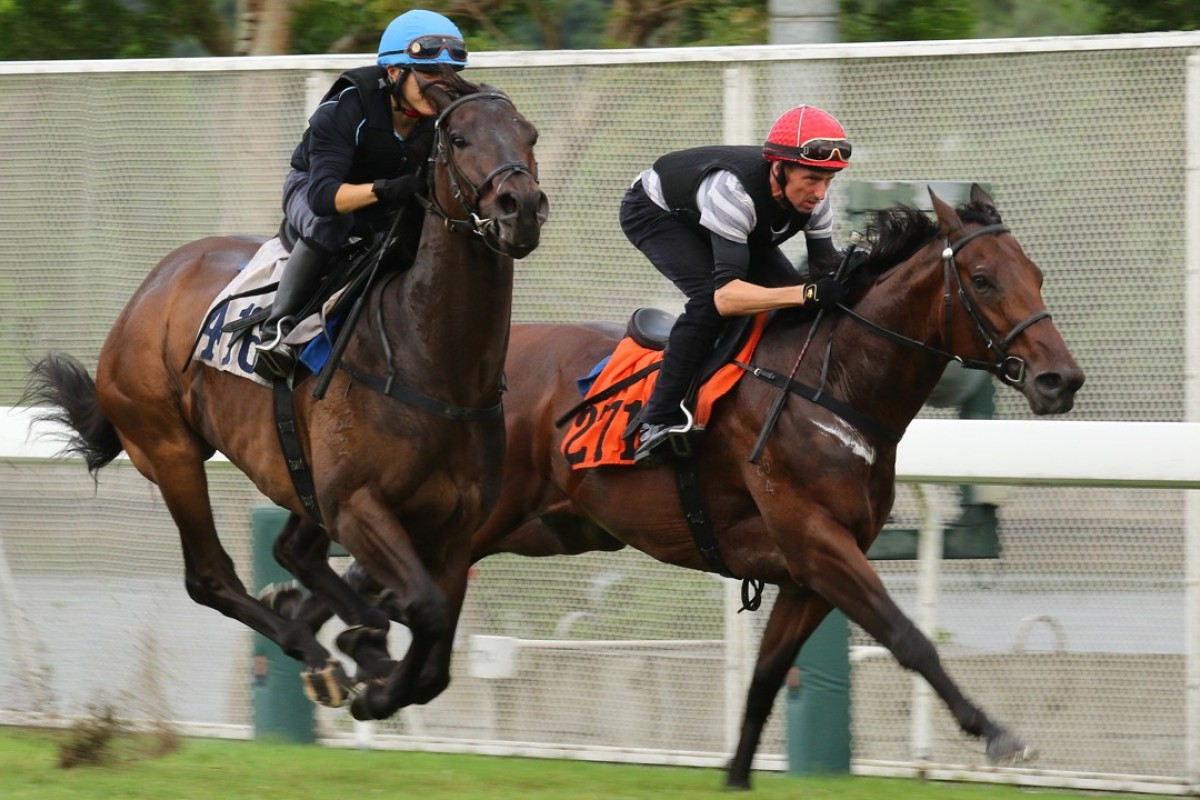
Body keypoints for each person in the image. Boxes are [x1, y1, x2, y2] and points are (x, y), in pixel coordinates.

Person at [620, 104, 852, 461]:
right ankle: (658, 416)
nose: (821, 193)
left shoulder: (815, 200)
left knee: (792, 300)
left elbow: (825, 269)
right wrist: (804, 293)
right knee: (707, 303)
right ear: (779, 169)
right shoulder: (734, 192)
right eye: (811, 180)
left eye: (828, 181)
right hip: (658, 214)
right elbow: (726, 298)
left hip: (727, 220)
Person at [253, 9, 470, 380]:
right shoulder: (347, 107)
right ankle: (278, 331)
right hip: (314, 188)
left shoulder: (442, 116)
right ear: (393, 73)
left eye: (450, 77)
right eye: (429, 75)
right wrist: (386, 190)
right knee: (330, 225)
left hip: (384, 199)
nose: (441, 87)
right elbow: (324, 196)